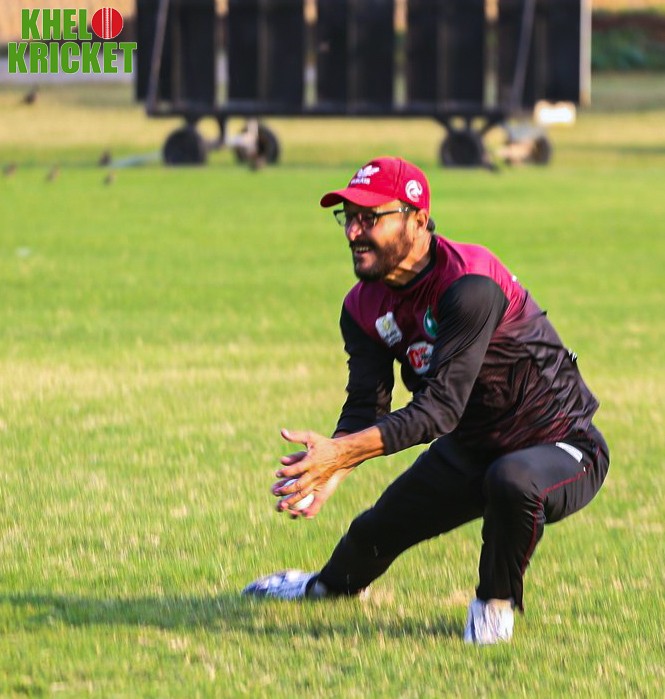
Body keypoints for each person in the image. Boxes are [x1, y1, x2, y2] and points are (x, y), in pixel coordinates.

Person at [242, 156, 610, 645]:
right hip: (471, 449)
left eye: (370, 218)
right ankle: (320, 587)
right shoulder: (362, 306)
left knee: (513, 480)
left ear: (417, 219)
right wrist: (333, 463)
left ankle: (494, 605)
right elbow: (366, 408)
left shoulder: (470, 284)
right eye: (348, 217)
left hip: (562, 444)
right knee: (374, 532)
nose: (353, 232)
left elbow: (440, 410)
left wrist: (343, 452)